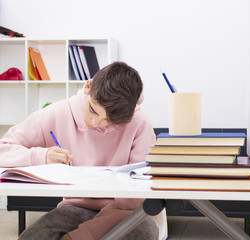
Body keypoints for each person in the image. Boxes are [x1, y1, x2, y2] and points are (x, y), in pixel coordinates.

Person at [0, 62, 158, 240]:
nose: (96, 123)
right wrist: (40, 156)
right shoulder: (57, 113)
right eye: (92, 110)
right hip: (74, 208)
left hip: (129, 213)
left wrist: (80, 236)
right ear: (88, 86)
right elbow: (3, 149)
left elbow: (134, 199)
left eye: (110, 121)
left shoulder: (140, 123)